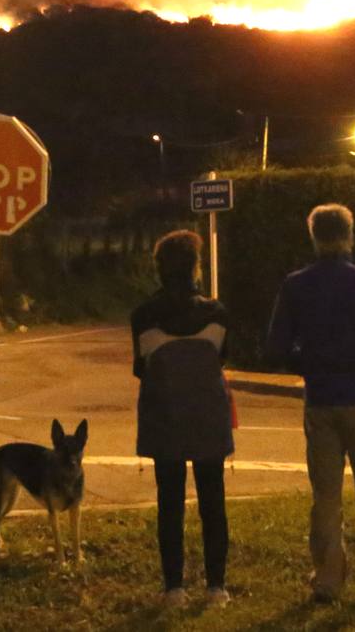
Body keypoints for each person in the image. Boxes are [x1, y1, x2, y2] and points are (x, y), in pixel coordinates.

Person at [266, 203, 355, 606]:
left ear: (313, 235)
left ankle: (328, 581)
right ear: (350, 234)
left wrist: (308, 361)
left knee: (326, 498)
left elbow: (276, 345)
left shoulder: (296, 285)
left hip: (321, 401)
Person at [131, 229, 234, 609]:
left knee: (169, 502)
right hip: (208, 415)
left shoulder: (143, 316)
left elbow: (141, 368)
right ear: (195, 267)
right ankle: (216, 587)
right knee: (213, 501)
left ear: (158, 269)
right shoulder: (218, 314)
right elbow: (220, 358)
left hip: (165, 416)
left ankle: (173, 587)